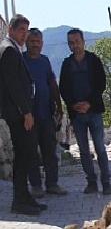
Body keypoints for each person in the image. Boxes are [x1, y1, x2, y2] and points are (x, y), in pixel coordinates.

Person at [0, 15, 47, 215]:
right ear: (11, 29)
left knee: (26, 154)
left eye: (26, 31)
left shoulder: (12, 48)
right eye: (21, 30)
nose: (24, 35)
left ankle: (25, 196)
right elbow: (13, 86)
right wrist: (26, 112)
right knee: (24, 154)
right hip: (17, 113)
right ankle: (19, 200)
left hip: (19, 112)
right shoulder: (8, 50)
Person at [59, 28, 111, 195]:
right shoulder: (66, 64)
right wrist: (74, 105)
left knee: (100, 148)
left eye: (77, 41)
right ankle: (91, 183)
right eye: (71, 43)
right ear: (69, 45)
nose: (75, 45)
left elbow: (101, 84)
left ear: (83, 41)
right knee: (83, 150)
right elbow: (63, 88)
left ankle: (106, 182)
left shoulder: (93, 60)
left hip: (94, 111)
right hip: (77, 115)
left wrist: (89, 103)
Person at [23, 28, 68, 197]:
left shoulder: (45, 61)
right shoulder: (21, 61)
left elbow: (52, 82)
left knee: (50, 151)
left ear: (42, 43)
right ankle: (36, 186)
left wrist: (59, 104)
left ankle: (52, 184)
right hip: (29, 116)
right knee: (32, 152)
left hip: (46, 115)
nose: (35, 45)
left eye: (38, 42)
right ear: (27, 43)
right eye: (32, 41)